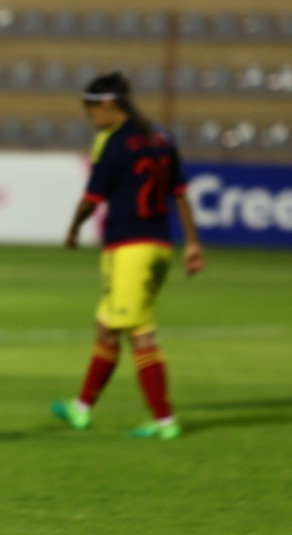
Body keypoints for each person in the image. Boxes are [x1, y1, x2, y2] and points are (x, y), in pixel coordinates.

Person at [52, 72, 205, 440]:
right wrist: (193, 243)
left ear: (107, 104)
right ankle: (82, 408)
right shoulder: (161, 137)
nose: (92, 119)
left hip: (129, 249)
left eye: (92, 112)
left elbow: (92, 199)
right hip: (159, 247)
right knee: (107, 326)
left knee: (140, 333)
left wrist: (73, 229)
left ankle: (164, 419)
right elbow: (180, 192)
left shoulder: (113, 142)